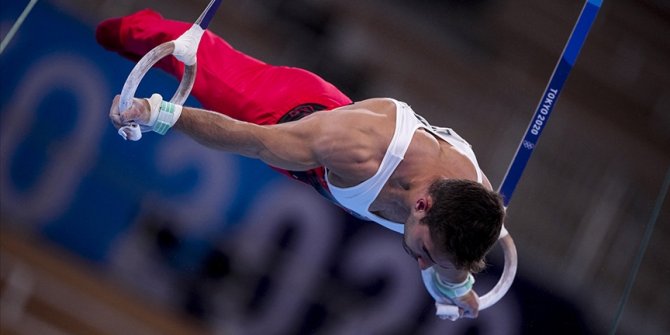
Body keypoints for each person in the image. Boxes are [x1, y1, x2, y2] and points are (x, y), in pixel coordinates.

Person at [97, 9, 505, 320]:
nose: (420, 263)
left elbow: (449, 265)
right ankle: (122, 27)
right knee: (172, 47)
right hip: (284, 112)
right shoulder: (355, 148)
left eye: (431, 260)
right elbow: (251, 141)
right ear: (422, 205)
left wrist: (457, 289)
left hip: (321, 163)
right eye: (425, 253)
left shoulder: (473, 210)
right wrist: (157, 113)